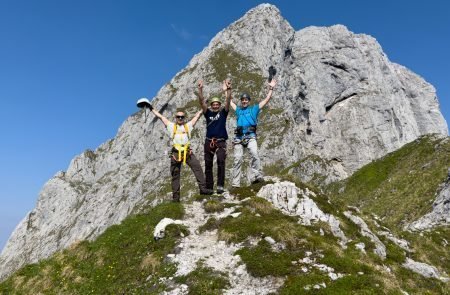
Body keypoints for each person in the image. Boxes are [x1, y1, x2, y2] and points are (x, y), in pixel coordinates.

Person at [150, 106, 212, 201]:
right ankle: (176, 198)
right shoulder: (171, 126)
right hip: (175, 153)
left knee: (197, 168)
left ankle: (203, 189)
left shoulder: (188, 126)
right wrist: (151, 108)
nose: (180, 118)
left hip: (187, 152)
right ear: (175, 118)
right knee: (175, 175)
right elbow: (161, 117)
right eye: (178, 117)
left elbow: (197, 116)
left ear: (184, 118)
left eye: (182, 117)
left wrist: (204, 106)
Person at [229, 79, 277, 187]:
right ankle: (235, 184)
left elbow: (266, 100)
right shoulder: (238, 110)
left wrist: (271, 88)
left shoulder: (254, 109)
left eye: (246, 100)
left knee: (255, 154)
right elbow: (230, 102)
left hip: (251, 136)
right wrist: (227, 90)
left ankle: (256, 176)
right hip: (239, 138)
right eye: (242, 100)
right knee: (237, 159)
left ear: (249, 101)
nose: (244, 101)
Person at [197, 80, 231, 194]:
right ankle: (210, 187)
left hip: (221, 141)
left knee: (221, 160)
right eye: (213, 104)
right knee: (208, 164)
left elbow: (228, 101)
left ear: (219, 105)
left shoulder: (223, 113)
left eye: (217, 104)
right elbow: (201, 102)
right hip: (208, 141)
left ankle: (220, 185)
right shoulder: (208, 113)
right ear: (211, 106)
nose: (215, 105)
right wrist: (200, 90)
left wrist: (228, 90)